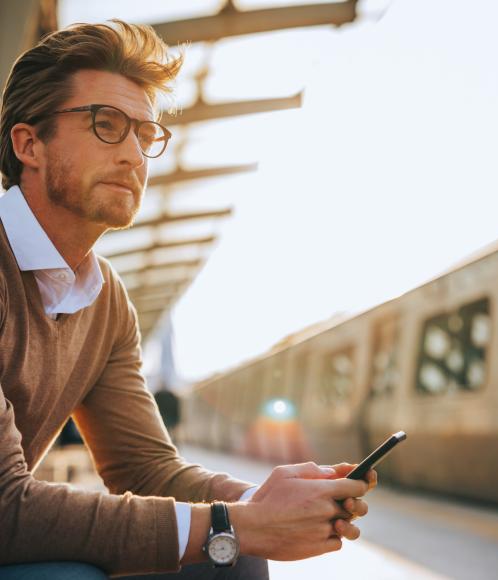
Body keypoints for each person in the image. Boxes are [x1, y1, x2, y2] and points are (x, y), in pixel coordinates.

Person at [0, 20, 376, 579]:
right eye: (107, 125)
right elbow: (7, 507)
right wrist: (237, 523)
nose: (133, 155)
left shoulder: (107, 302)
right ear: (29, 144)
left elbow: (145, 467)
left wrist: (263, 498)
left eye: (145, 135)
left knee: (234, 556)